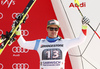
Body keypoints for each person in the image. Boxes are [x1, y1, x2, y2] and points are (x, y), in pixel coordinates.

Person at [0, 16, 90, 69]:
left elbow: (80, 40)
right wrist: (18, 32)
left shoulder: (64, 42)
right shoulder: (40, 43)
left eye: (56, 29)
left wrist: (84, 26)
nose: (53, 31)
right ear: (47, 29)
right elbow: (23, 44)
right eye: (51, 28)